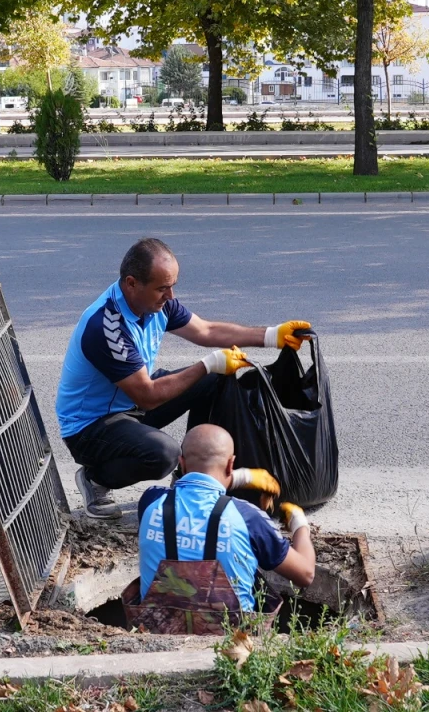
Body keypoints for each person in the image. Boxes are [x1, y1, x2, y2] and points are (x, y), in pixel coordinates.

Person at [55, 237, 311, 519]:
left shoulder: (157, 303)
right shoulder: (106, 326)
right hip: (91, 427)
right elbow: (148, 396)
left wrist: (271, 336)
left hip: (129, 402)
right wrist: (206, 365)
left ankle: (194, 479)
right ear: (131, 283)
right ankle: (96, 479)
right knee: (162, 453)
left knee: (216, 379)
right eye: (162, 288)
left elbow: (206, 331)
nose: (171, 297)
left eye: (172, 286)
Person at [136, 424, 315, 613]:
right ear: (231, 464)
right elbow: (306, 574)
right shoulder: (249, 518)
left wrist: (240, 477)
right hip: (232, 637)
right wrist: (300, 525)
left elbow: (183, 490)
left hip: (155, 629)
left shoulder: (151, 501)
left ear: (182, 463)